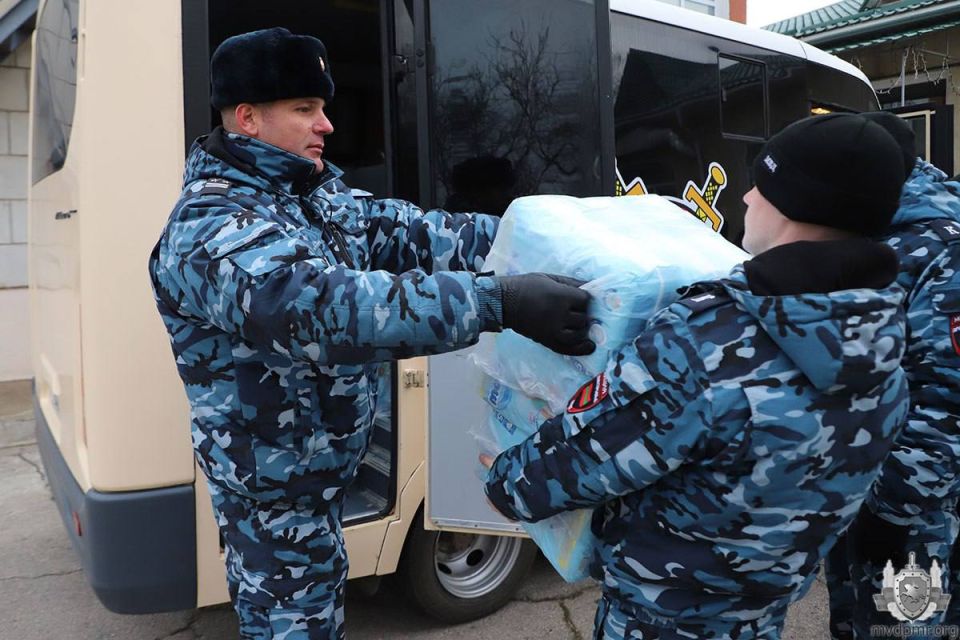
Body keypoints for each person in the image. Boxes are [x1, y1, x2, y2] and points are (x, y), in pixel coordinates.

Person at [148, 28, 593, 640]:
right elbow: (318, 310)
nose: (325, 124)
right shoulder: (210, 225)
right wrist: (499, 301)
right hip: (274, 500)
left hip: (317, 479)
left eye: (322, 108)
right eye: (305, 109)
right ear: (248, 118)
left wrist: (574, 234)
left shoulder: (311, 195)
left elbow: (417, 232)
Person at [482, 113, 912, 639]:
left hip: (662, 618)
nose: (748, 197)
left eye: (764, 185)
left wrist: (505, 483)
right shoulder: (884, 340)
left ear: (800, 206)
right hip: (762, 614)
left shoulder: (709, 340)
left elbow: (592, 451)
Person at [825, 112, 960, 639]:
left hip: (909, 506)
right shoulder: (868, 230)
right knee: (856, 622)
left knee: (905, 624)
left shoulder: (943, 248)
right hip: (853, 492)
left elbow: (948, 400)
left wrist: (891, 512)